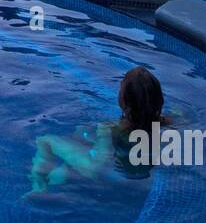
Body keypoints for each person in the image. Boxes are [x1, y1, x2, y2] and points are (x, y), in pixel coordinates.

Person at [28, 67, 169, 192]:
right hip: (142, 172)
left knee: (45, 141)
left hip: (102, 171)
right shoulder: (163, 122)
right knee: (77, 146)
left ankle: (39, 186)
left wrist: (99, 135)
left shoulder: (111, 128)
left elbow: (100, 162)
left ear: (123, 99)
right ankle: (62, 173)